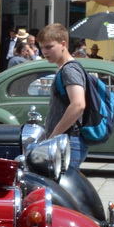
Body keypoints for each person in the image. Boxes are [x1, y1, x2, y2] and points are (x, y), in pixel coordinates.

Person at [37, 24, 91, 169]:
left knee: (63, 188)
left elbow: (78, 104)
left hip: (67, 141)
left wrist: (54, 135)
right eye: (42, 48)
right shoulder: (65, 68)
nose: (45, 52)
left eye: (49, 47)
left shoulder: (70, 69)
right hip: (65, 140)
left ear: (63, 44)